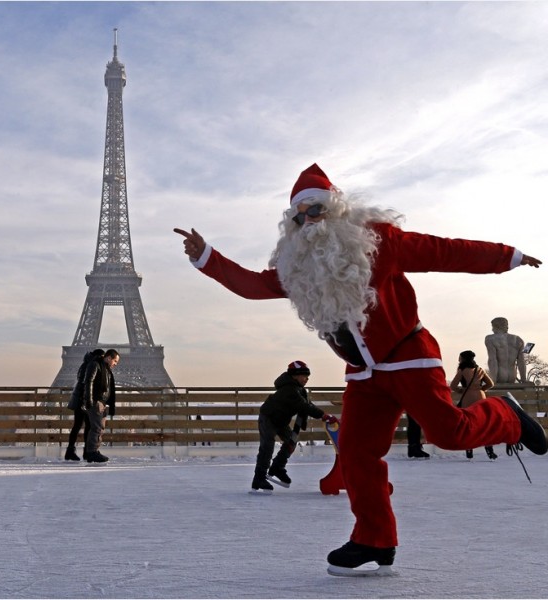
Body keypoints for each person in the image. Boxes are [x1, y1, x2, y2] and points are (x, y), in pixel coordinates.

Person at [174, 163, 546, 576]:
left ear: (336, 209)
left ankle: (506, 415)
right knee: (355, 453)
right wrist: (206, 257)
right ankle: (375, 538)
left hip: (408, 355)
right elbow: (252, 285)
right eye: (299, 217)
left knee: (449, 434)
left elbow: (444, 251)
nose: (308, 222)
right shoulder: (297, 270)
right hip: (364, 374)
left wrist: (506, 256)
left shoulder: (378, 242)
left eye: (314, 210)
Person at [251, 360, 338, 492]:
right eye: (304, 376)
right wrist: (323, 415)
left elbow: (308, 404)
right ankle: (259, 478)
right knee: (267, 446)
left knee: (291, 441)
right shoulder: (289, 389)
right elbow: (304, 406)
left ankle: (277, 467)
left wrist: (324, 414)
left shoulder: (299, 390)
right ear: (295, 375)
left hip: (281, 421)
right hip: (268, 418)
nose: (307, 379)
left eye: (308, 376)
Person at [449, 350, 496, 460]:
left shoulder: (462, 370)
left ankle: (469, 451)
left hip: (468, 398)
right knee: (484, 425)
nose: (458, 359)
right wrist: (481, 389)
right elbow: (491, 384)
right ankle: (490, 451)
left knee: (469, 425)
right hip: (481, 397)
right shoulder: (480, 369)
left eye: (460, 358)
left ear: (464, 359)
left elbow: (453, 386)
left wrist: (462, 391)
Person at [65, 349, 103, 461]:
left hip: (80, 399)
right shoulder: (92, 365)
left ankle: (71, 451)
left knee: (78, 426)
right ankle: (86, 452)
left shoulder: (86, 364)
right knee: (88, 426)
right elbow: (88, 383)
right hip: (84, 400)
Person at [83, 348, 119, 463]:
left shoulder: (105, 369)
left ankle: (93, 451)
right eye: (115, 361)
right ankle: (92, 452)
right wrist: (89, 400)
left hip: (102, 402)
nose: (115, 364)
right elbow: (89, 381)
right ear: (109, 358)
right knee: (97, 427)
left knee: (100, 428)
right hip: (96, 401)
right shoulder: (95, 365)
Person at [485, 317, 527, 384]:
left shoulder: (490, 339)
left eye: (492, 327)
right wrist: (524, 380)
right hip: (512, 376)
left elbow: (493, 360)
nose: (492, 329)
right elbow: (521, 362)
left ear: (496, 326)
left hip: (500, 375)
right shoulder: (518, 340)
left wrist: (493, 380)